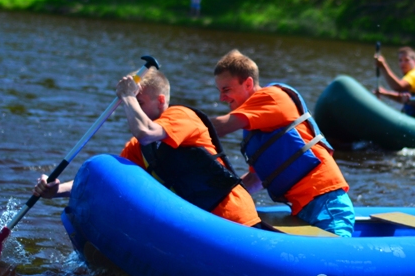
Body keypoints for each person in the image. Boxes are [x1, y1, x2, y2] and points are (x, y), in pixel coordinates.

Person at [33, 68, 261, 228]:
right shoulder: (137, 148)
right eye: (129, 104)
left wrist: (127, 95)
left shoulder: (181, 116)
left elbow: (145, 132)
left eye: (139, 103)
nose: (132, 109)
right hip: (198, 223)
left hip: (232, 219)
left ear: (161, 100)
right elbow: (106, 179)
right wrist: (56, 190)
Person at [210, 50, 355, 237]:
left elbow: (220, 127)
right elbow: (256, 179)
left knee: (335, 262)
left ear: (248, 83)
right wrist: (223, 198)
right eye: (219, 91)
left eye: (226, 89)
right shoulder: (254, 128)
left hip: (326, 202)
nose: (222, 98)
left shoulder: (271, 97)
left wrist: (173, 123)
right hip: (301, 209)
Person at [374, 46, 415, 118]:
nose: (402, 63)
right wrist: (385, 93)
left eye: (406, 60)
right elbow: (404, 99)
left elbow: (398, 87)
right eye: (400, 60)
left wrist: (383, 65)